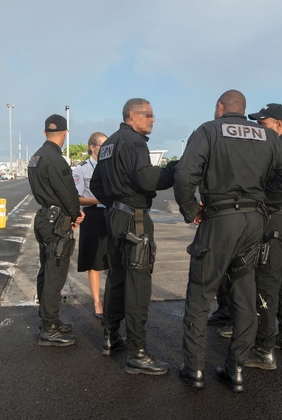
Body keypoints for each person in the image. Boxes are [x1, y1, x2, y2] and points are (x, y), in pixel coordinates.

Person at [174, 90, 282, 391]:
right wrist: (266, 204)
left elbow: (184, 175)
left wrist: (192, 210)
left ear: (221, 107)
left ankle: (193, 369)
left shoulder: (208, 129)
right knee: (245, 292)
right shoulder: (267, 136)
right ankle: (235, 369)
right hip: (253, 223)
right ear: (243, 109)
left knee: (201, 292)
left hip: (219, 220)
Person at [90, 98, 177, 375]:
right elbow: (148, 179)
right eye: (147, 115)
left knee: (116, 279)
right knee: (138, 284)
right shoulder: (135, 142)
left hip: (115, 217)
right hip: (135, 219)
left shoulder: (109, 144)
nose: (152, 120)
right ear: (132, 116)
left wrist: (115, 204)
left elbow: (96, 185)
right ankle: (138, 353)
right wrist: (173, 170)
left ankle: (110, 336)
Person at [242, 104, 282, 370]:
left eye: (263, 123)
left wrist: (266, 205)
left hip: (275, 221)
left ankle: (263, 349)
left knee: (266, 282)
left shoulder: (279, 147)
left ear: (279, 125)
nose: (259, 127)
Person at [28, 114, 85, 347]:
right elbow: (67, 192)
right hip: (57, 222)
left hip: (43, 217)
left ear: (44, 133)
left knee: (46, 271)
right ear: (65, 133)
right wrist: (76, 214)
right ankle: (49, 329)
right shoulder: (56, 160)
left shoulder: (35, 157)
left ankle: (47, 320)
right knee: (55, 275)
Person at [73, 132, 109, 318]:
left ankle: (111, 298)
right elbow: (77, 198)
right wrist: (99, 199)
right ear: (92, 147)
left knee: (112, 259)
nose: (104, 149)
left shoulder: (112, 167)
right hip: (92, 215)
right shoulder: (82, 169)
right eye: (102, 146)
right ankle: (97, 301)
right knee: (94, 261)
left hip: (110, 214)